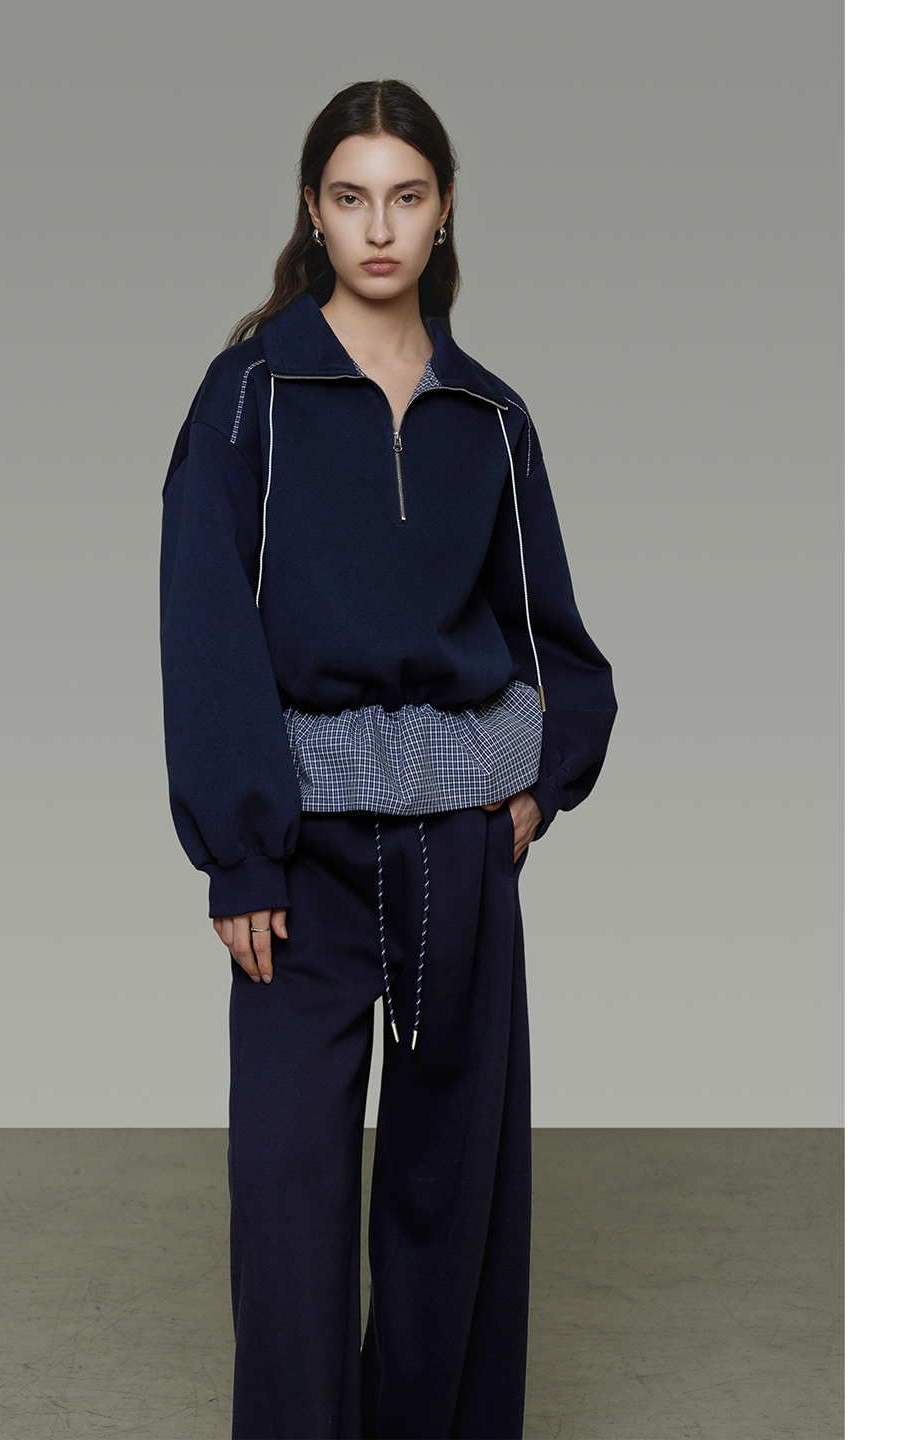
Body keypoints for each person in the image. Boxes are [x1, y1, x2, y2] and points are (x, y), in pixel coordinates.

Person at [158, 78, 618, 1440]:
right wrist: (241, 851)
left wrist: (533, 790)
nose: (378, 227)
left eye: (405, 197)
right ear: (313, 211)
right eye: (351, 197)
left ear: (444, 210)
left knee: (449, 1194)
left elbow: (553, 638)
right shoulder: (251, 395)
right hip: (300, 858)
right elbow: (204, 624)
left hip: (459, 856)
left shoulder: (491, 417)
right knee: (286, 1191)